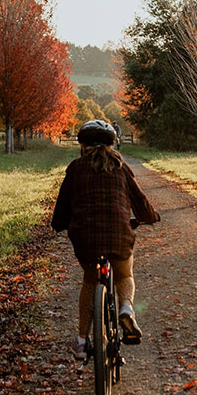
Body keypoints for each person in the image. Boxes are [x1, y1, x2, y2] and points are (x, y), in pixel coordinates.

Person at [50, 119, 160, 358]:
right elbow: (140, 202)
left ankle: (81, 341)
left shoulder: (76, 168)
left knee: (90, 281)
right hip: (119, 234)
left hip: (85, 239)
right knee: (125, 274)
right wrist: (152, 217)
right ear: (112, 145)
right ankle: (126, 308)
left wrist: (58, 224)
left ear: (83, 146)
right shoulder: (121, 168)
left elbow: (62, 207)